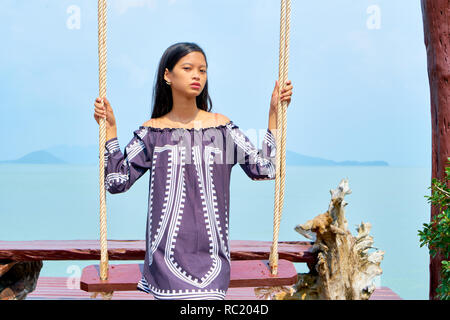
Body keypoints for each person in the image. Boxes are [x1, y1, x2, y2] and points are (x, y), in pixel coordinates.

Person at [93, 42, 293, 300]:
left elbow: (264, 169)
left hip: (213, 265)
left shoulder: (222, 129)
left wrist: (274, 112)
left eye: (202, 70)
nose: (197, 75)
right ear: (168, 75)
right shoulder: (153, 132)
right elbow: (116, 181)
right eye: (187, 68)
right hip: (165, 266)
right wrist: (110, 129)